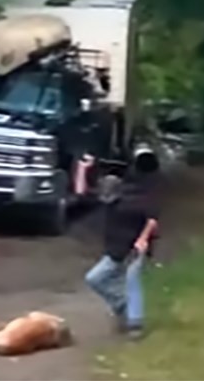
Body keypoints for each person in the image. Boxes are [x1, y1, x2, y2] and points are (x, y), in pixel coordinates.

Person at [84, 144, 160, 340]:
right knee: (94, 278)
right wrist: (83, 168)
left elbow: (152, 219)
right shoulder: (107, 197)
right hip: (116, 248)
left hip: (136, 246)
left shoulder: (135, 199)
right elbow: (81, 190)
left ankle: (135, 324)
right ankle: (120, 305)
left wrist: (143, 239)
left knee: (132, 279)